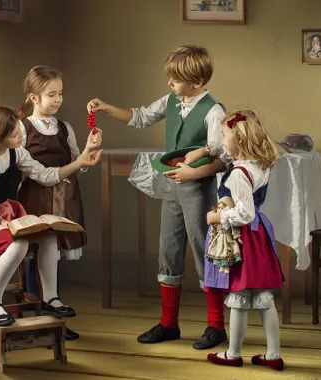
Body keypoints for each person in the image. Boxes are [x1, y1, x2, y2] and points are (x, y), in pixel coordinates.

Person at [87, 45, 230, 350]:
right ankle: (169, 324)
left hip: (198, 189)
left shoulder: (214, 111)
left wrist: (193, 174)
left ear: (195, 80)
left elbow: (224, 158)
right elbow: (139, 117)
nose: (169, 84)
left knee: (205, 250)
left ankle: (217, 327)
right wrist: (106, 108)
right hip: (171, 188)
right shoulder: (172, 101)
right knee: (168, 250)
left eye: (175, 79)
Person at [0, 65, 102, 340]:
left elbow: (46, 173)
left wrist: (82, 158)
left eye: (60, 94)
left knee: (50, 239)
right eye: (51, 94)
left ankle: (50, 299)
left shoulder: (19, 150)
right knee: (24, 244)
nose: (20, 140)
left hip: (23, 206)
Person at [205, 109, 285, 371]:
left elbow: (245, 213)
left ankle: (233, 353)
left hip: (243, 239)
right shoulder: (261, 164)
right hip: (259, 234)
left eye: (225, 134)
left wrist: (217, 217)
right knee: (264, 295)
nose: (222, 139)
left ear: (238, 139)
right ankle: (273, 355)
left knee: (239, 294)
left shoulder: (239, 173)